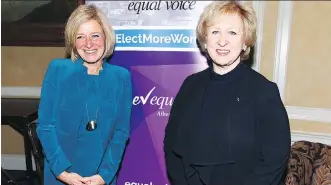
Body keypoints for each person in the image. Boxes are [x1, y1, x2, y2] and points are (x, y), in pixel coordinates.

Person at [164, 1, 291, 185]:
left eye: (232, 32)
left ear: (245, 42)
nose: (222, 41)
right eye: (215, 31)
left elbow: (275, 160)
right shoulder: (190, 85)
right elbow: (171, 145)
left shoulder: (264, 91)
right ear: (205, 40)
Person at [37, 4, 132, 185]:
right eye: (80, 37)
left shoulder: (121, 77)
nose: (88, 44)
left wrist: (105, 175)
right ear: (73, 41)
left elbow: (121, 132)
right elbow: (45, 126)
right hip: (61, 174)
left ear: (106, 36)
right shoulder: (57, 70)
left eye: (95, 35)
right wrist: (62, 173)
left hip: (102, 177)